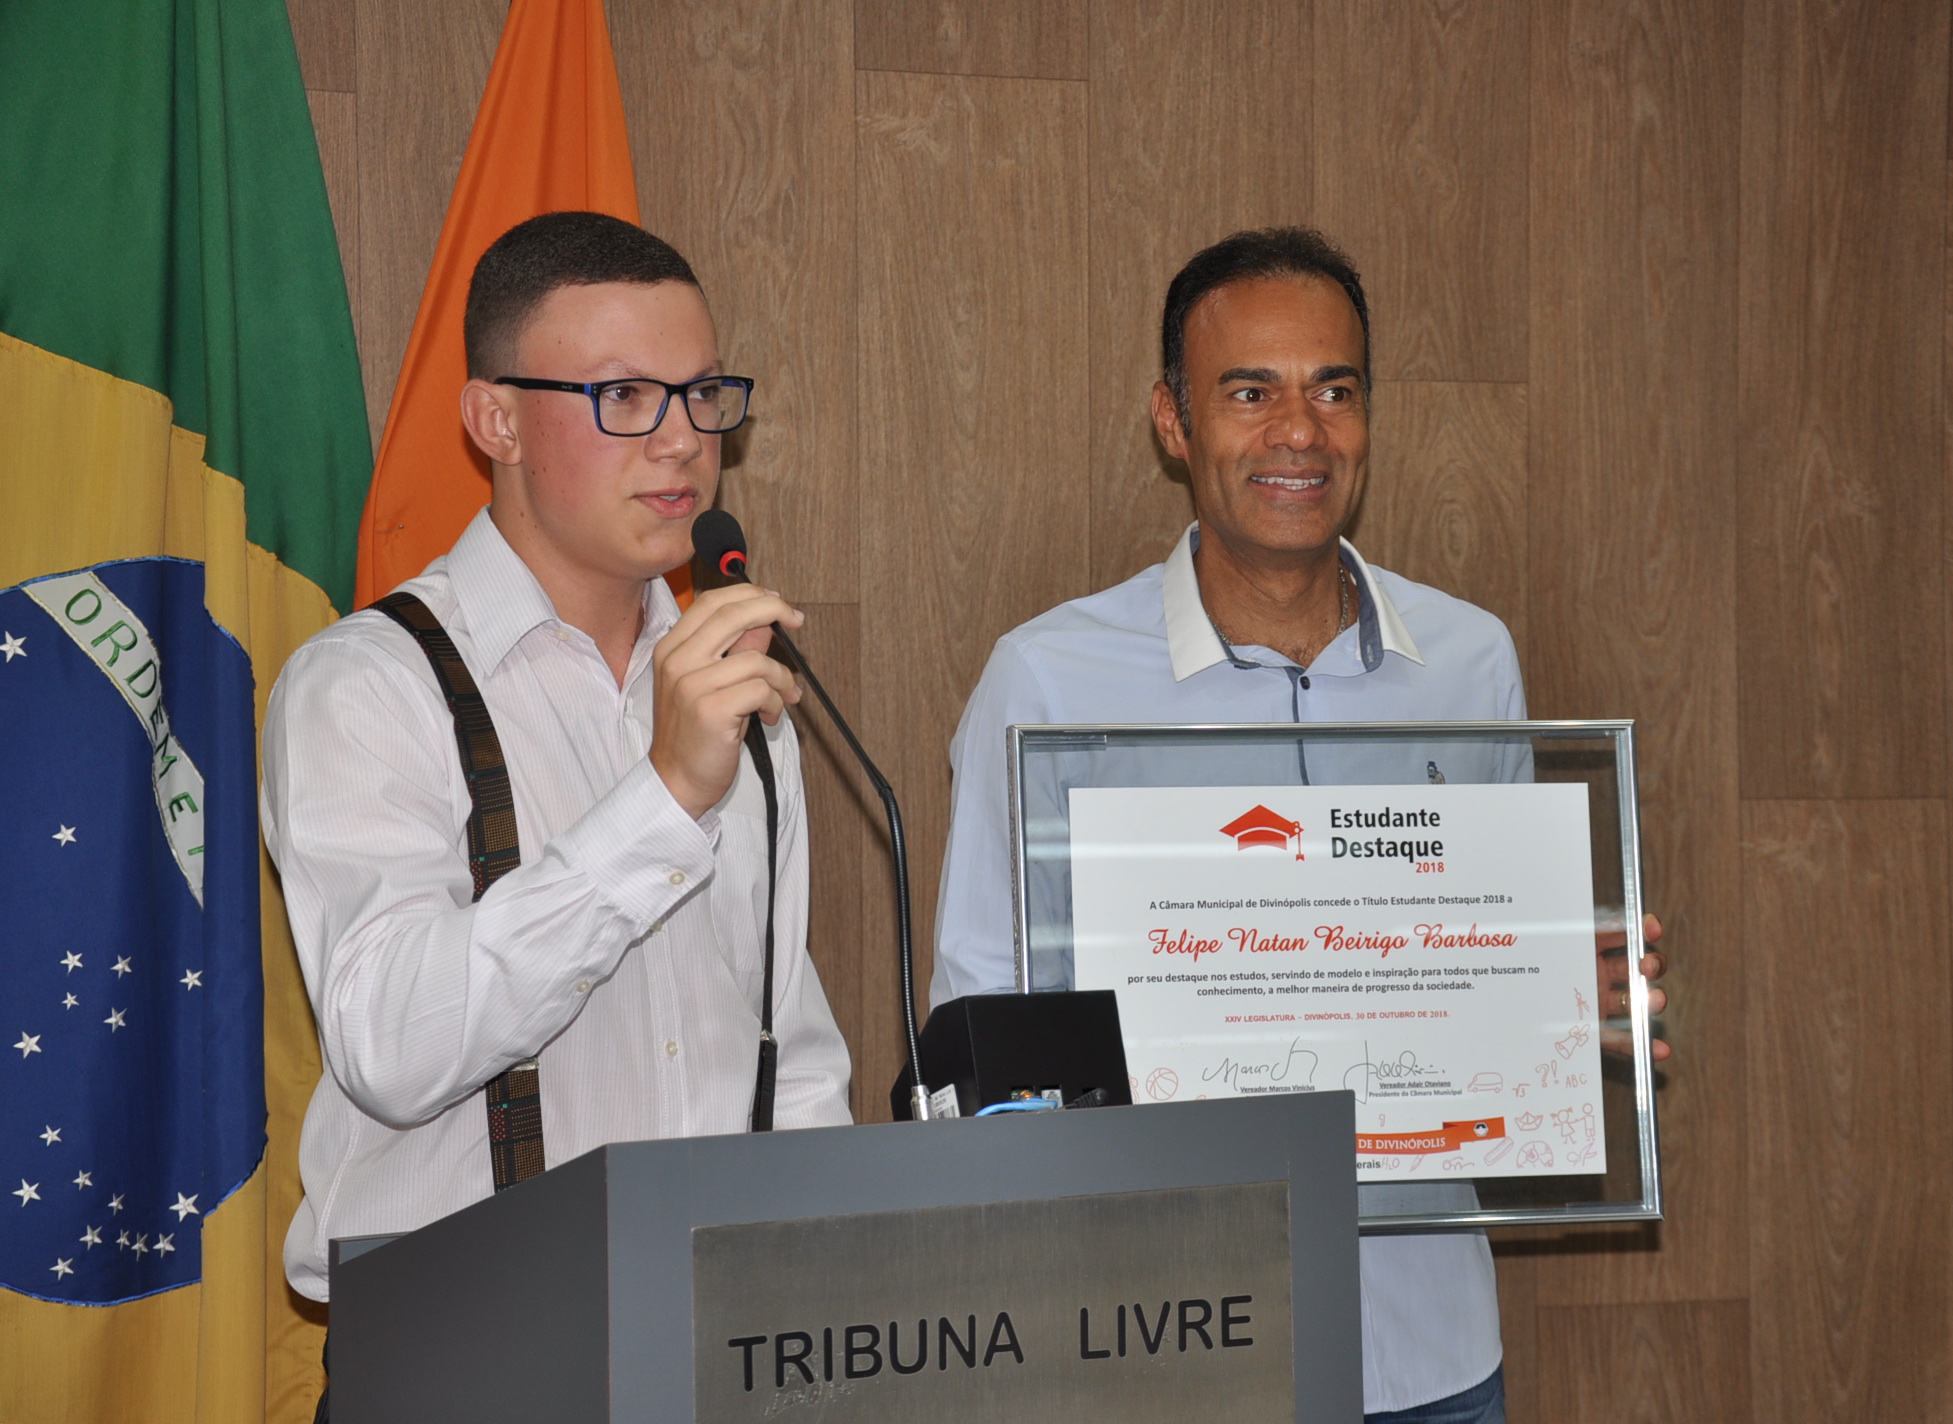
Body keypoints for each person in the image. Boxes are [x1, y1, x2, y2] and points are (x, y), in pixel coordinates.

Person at [930, 227, 1667, 1423]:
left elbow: (1494, 974)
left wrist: (1557, 1008)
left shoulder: (1470, 660)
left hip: (1429, 1359)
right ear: (1172, 421)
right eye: (1248, 392)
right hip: (1167, 1360)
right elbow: (980, 1034)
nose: (1298, 431)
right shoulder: (1048, 682)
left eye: (1333, 388)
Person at [262, 212, 851, 1326]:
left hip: (718, 1336)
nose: (681, 441)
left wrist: (825, 1301)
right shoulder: (368, 684)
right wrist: (663, 800)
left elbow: (787, 1047)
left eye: (702, 393)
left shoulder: (734, 680)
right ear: (497, 421)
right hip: (465, 1348)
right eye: (623, 396)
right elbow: (391, 1045)